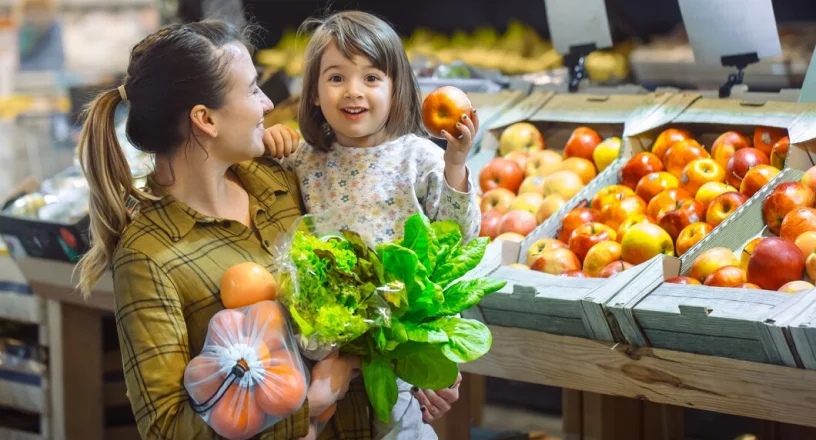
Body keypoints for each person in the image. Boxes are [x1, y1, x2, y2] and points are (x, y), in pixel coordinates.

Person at [76, 20, 368, 440]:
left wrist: (407, 373)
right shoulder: (149, 258)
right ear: (205, 119)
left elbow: (355, 292)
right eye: (252, 89)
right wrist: (307, 405)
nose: (268, 103)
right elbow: (167, 429)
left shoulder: (278, 181)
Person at [264, 11, 478, 440]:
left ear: (397, 88)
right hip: (324, 345)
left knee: (399, 426)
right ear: (312, 94)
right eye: (336, 78)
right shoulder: (304, 159)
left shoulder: (418, 157)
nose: (353, 92)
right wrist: (272, 141)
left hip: (397, 337)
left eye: (372, 78)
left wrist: (455, 165)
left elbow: (457, 237)